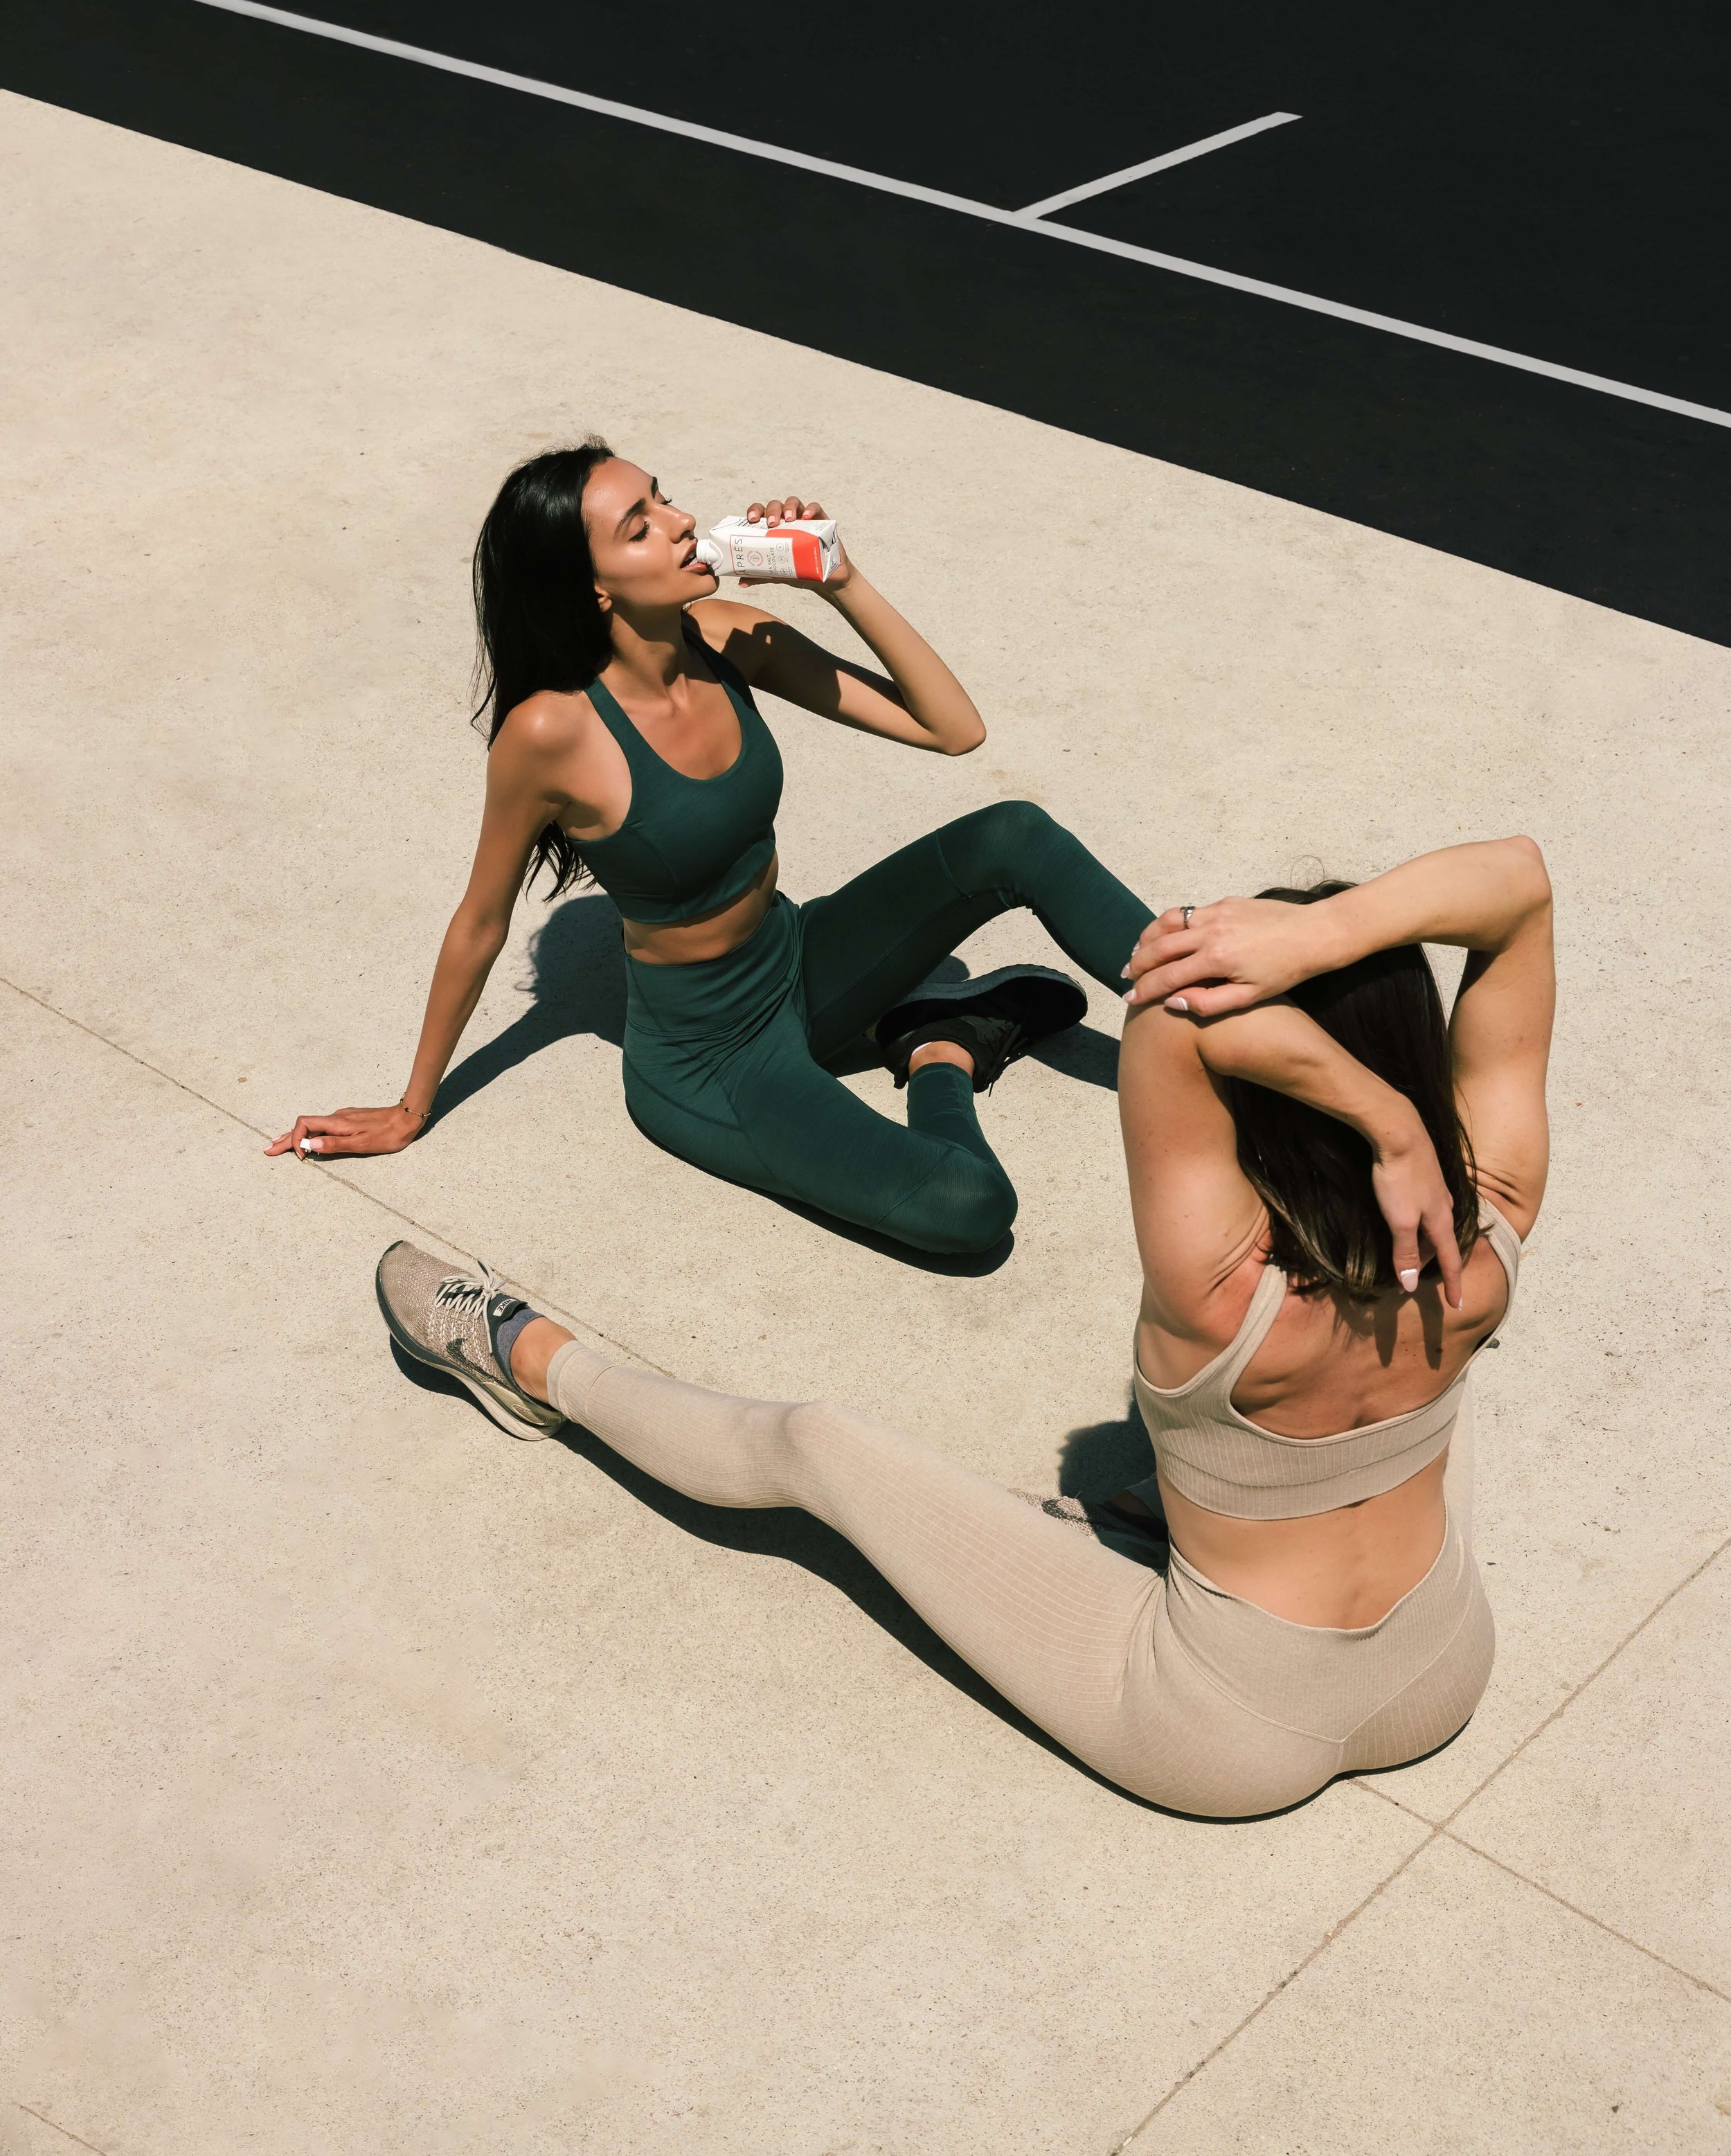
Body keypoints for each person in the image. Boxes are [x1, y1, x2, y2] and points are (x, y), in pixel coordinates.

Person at [371, 836, 1553, 1817]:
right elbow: (1520, 883)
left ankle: (520, 1354)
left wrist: (1376, 1111)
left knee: (816, 1444)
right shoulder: (1491, 1221)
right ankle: (1172, 1504)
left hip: (1224, 1728)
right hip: (1443, 1665)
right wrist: (1348, 961)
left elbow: (1166, 1006)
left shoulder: (1222, 1280)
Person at [269, 442, 1154, 1252]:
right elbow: (479, 921)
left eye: (662, 499)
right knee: (969, 1207)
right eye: (639, 526)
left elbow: (952, 730)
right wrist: (410, 1105)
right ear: (595, 590)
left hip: (799, 956)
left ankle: (1222, 1023)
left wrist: (838, 581)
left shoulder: (726, 635)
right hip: (712, 1057)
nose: (681, 521)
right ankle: (942, 1047)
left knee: (1015, 835)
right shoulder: (552, 732)